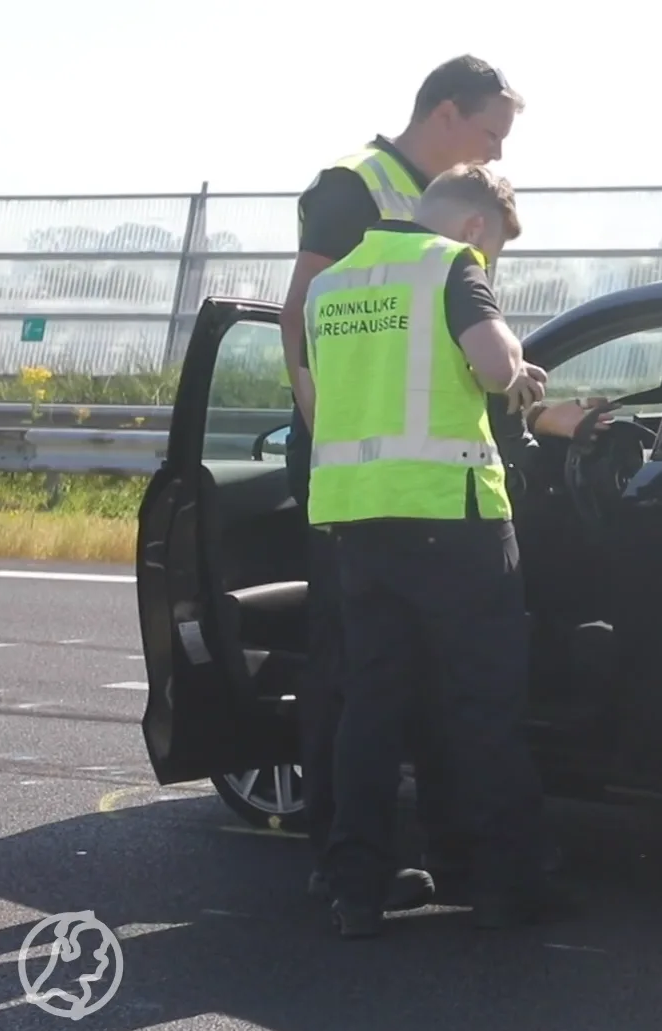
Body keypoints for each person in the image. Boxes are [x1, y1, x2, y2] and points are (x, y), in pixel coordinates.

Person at [301, 162, 588, 939]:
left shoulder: (334, 285)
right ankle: (507, 885)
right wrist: (522, 375)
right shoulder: (450, 266)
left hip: (357, 522)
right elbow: (493, 367)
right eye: (493, 250)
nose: (490, 263)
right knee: (483, 706)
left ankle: (354, 885)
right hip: (452, 516)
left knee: (371, 709)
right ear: (471, 229)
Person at [276, 54, 524, 911]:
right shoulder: (360, 188)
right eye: (491, 134)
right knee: (402, 684)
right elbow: (294, 321)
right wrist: (321, 426)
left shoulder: (429, 219)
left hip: (362, 498)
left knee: (377, 696)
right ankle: (468, 875)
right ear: (447, 113)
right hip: (428, 499)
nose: (496, 154)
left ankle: (363, 876)